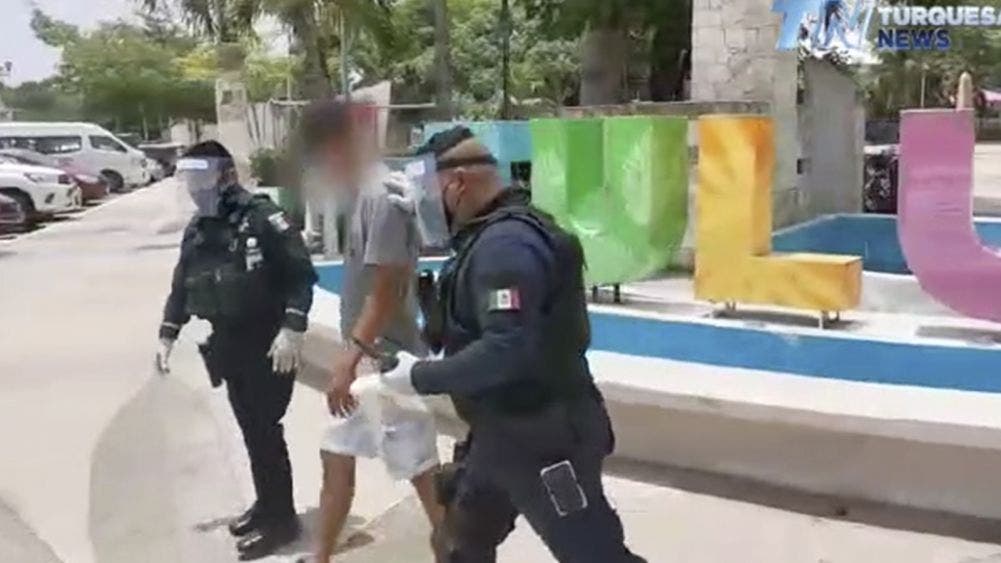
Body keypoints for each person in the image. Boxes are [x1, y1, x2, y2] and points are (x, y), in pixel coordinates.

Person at [379, 126, 645, 562]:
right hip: (497, 434)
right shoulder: (483, 239)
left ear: (457, 184)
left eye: (427, 194)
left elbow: (507, 349)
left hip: (544, 437)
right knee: (458, 545)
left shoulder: (507, 246)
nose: (424, 208)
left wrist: (419, 377)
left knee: (594, 554)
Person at [154, 140, 317, 560]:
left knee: (266, 431)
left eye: (201, 178)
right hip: (228, 343)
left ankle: (282, 521)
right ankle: (267, 505)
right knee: (250, 430)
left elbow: (301, 275)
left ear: (226, 176)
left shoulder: (262, 217)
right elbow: (182, 283)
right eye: (189, 179)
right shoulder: (200, 227)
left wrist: (293, 328)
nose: (195, 188)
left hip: (268, 342)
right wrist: (168, 333)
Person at [298, 100, 444, 562]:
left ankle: (462, 555)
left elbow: (386, 291)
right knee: (336, 455)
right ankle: (320, 556)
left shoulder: (383, 198)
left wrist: (348, 361)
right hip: (368, 361)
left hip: (388, 365)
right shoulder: (364, 195)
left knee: (424, 475)